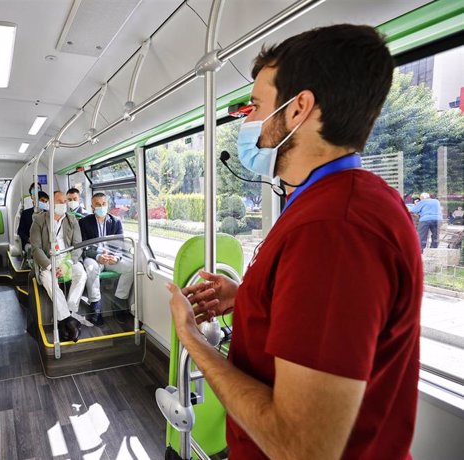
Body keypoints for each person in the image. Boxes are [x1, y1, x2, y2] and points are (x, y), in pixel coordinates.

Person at [166, 25, 421, 459]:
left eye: (257, 106)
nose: (248, 122)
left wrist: (192, 339)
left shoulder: (334, 229)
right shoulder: (339, 204)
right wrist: (249, 300)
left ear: (299, 107)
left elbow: (301, 447)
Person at [29, 191, 87, 342]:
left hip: (67, 259)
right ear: (50, 203)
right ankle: (69, 321)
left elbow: (78, 246)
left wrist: (67, 264)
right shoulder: (39, 220)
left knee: (81, 274)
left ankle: (68, 314)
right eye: (59, 201)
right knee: (48, 280)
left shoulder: (72, 219)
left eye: (64, 202)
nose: (63, 205)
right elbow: (35, 248)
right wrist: (50, 267)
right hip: (49, 260)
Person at [79, 192, 133, 325]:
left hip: (111, 258)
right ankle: (95, 304)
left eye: (103, 204)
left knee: (130, 266)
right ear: (92, 206)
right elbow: (83, 247)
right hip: (93, 256)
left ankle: (119, 300)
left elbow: (121, 245)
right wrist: (97, 256)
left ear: (107, 205)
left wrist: (116, 257)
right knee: (91, 268)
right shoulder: (84, 222)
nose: (101, 207)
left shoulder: (116, 222)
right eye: (98, 204)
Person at [17, 182, 49, 249]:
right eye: (42, 200)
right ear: (35, 201)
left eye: (46, 202)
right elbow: (20, 231)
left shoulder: (48, 214)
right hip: (30, 242)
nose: (44, 203)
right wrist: (28, 239)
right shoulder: (26, 214)